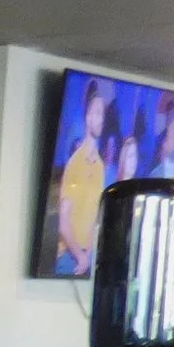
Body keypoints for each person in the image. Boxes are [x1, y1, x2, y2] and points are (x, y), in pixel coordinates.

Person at [54, 79, 110, 275]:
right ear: (87, 117)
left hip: (88, 258)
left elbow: (96, 219)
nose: (100, 119)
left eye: (102, 114)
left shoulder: (101, 167)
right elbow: (63, 221)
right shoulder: (75, 164)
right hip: (70, 259)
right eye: (96, 113)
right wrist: (80, 256)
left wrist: (92, 255)